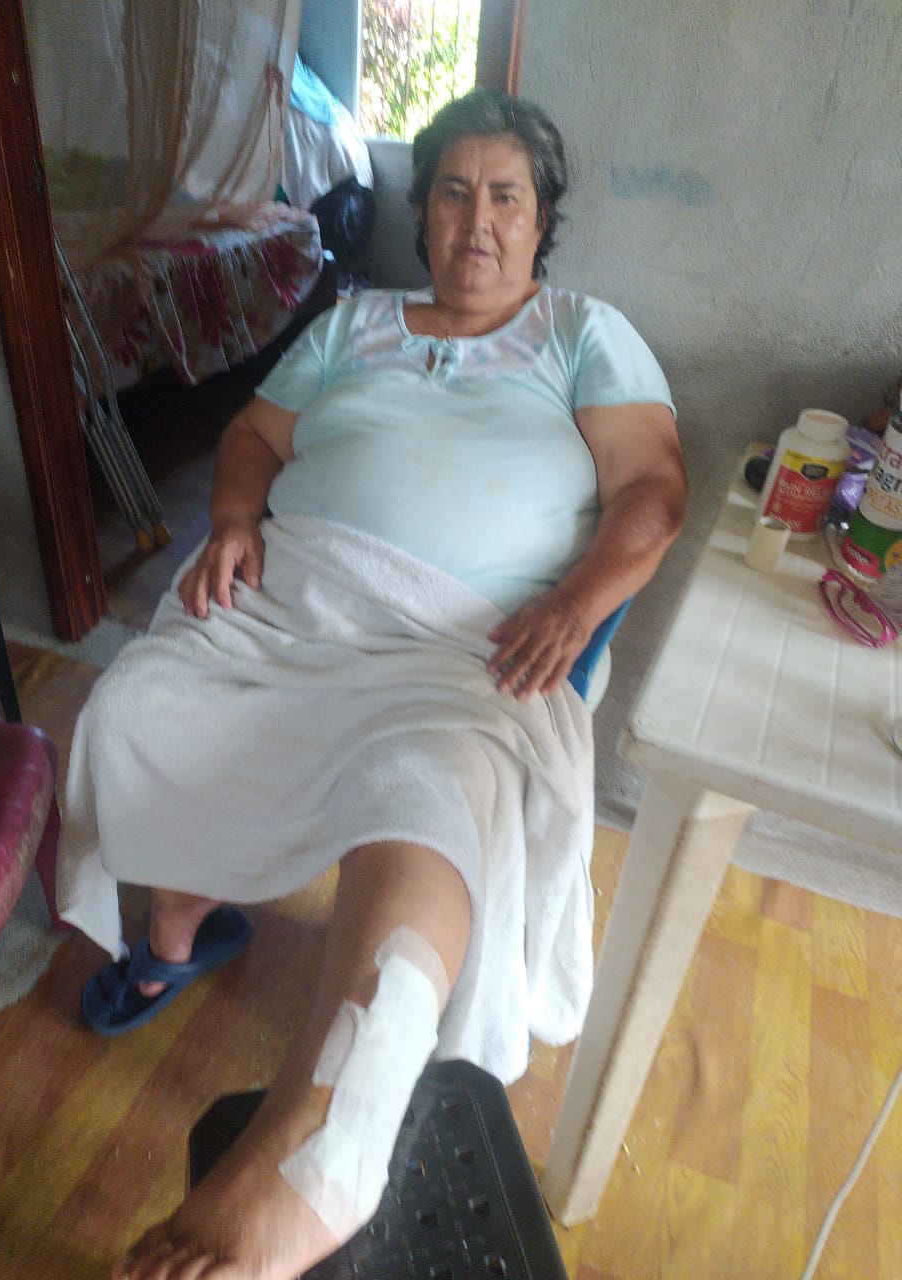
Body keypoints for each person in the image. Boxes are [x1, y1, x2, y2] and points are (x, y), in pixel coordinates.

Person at [58, 88, 686, 1280]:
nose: (477, 220)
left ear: (540, 220)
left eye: (506, 196)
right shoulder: (355, 322)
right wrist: (231, 521)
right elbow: (253, 438)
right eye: (452, 192)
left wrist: (573, 605)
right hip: (302, 597)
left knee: (429, 781)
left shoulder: (582, 332)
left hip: (459, 639)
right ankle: (181, 924)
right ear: (423, 208)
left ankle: (321, 1136)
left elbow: (652, 490)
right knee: (141, 703)